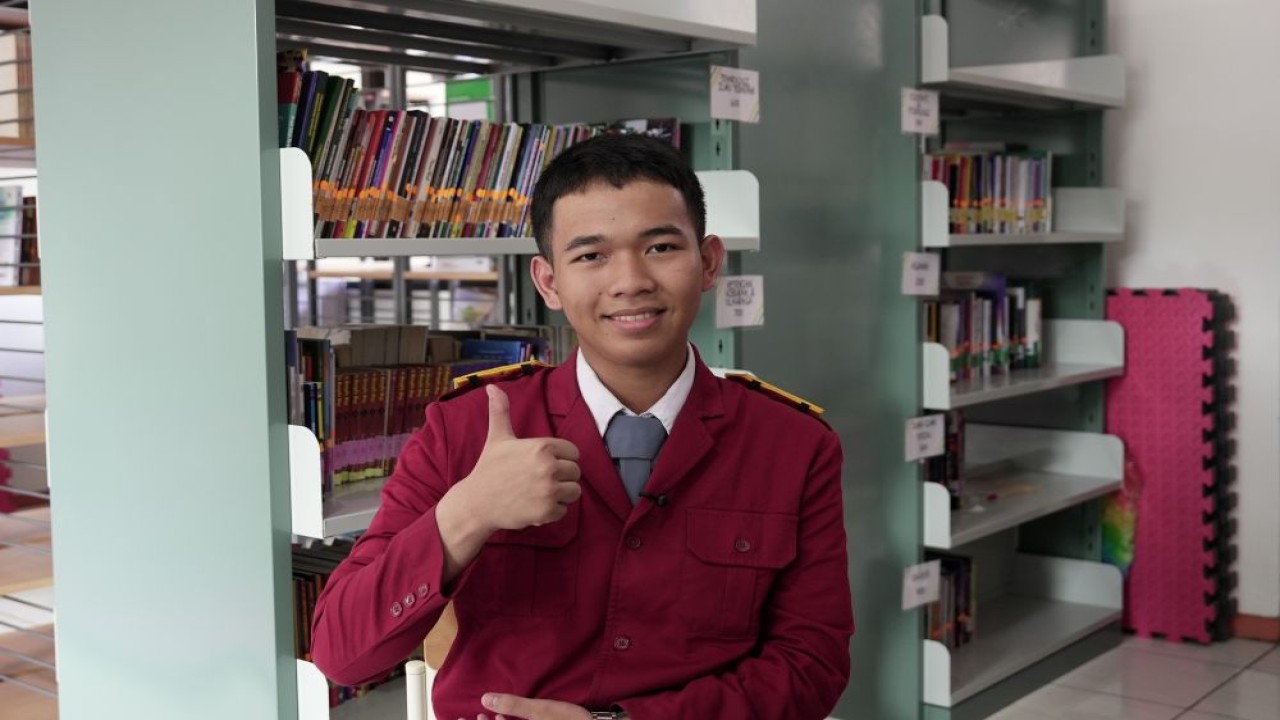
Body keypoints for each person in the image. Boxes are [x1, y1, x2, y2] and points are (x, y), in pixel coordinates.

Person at [310, 134, 854, 720]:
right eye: (591, 255)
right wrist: (468, 513)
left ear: (709, 262)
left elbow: (811, 663)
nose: (630, 282)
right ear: (548, 282)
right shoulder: (465, 428)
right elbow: (342, 657)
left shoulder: (794, 445)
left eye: (662, 246)